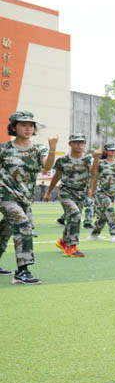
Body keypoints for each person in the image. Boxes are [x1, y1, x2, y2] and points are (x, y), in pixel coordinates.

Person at [0, 111, 56, 283]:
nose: (28, 128)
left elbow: (47, 165)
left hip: (24, 198)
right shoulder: (4, 149)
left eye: (31, 125)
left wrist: (53, 149)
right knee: (24, 225)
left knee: (5, 231)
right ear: (14, 127)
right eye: (23, 125)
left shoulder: (38, 149)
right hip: (5, 195)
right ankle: (22, 271)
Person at [43, 133, 93, 258]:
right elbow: (56, 176)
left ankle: (64, 241)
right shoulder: (63, 160)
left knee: (72, 218)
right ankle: (71, 247)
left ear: (85, 144)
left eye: (82, 142)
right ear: (70, 144)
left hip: (80, 193)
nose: (79, 145)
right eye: (76, 142)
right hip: (66, 192)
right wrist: (48, 192)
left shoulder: (88, 159)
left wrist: (91, 189)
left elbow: (94, 174)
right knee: (75, 215)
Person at [86, 142, 115, 243]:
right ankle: (114, 234)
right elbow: (95, 176)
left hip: (112, 192)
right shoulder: (101, 163)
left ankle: (94, 234)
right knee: (110, 210)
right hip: (101, 191)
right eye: (111, 150)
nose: (113, 152)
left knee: (103, 216)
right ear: (106, 151)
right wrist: (91, 190)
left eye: (114, 150)